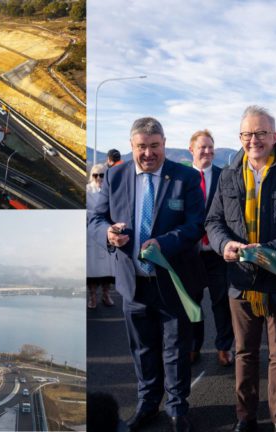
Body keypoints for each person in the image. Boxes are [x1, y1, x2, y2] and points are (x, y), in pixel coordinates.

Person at [89, 117, 205, 432]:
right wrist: (108, 234)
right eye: (142, 147)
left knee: (176, 349)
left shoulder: (186, 178)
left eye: (155, 146)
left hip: (172, 282)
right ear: (132, 146)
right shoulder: (115, 175)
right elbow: (96, 219)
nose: (148, 153)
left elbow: (196, 225)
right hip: (133, 283)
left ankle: (178, 408)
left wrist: (164, 243)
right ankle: (148, 404)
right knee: (142, 350)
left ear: (164, 144)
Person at [205, 105, 276, 432]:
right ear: (240, 138)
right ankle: (246, 418)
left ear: (274, 136)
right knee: (245, 354)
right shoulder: (227, 175)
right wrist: (224, 244)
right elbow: (213, 221)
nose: (253, 140)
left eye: (261, 133)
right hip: (241, 283)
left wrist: (267, 253)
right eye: (247, 134)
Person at [188, 129, 233, 367]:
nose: (207, 151)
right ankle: (194, 346)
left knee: (222, 301)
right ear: (191, 150)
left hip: (218, 252)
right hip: (191, 254)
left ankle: (224, 347)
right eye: (202, 147)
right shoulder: (183, 178)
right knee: (192, 302)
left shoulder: (224, 176)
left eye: (210, 147)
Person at [87, 163, 115, 309]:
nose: (98, 178)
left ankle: (106, 294)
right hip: (91, 232)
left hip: (108, 232)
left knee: (108, 270)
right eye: (95, 175)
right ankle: (92, 296)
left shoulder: (112, 190)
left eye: (102, 175)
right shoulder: (87, 191)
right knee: (91, 269)